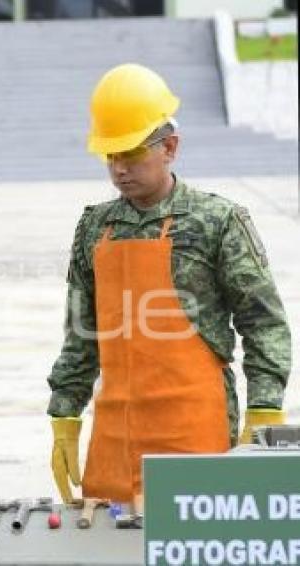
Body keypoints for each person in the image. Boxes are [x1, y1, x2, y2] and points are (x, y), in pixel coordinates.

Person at [47, 64, 292, 505]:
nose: (119, 169)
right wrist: (65, 413)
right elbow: (80, 332)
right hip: (114, 436)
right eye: (111, 156)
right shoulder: (93, 227)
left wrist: (264, 406)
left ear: (170, 148)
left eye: (132, 153)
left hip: (193, 431)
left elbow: (264, 323)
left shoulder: (219, 221)